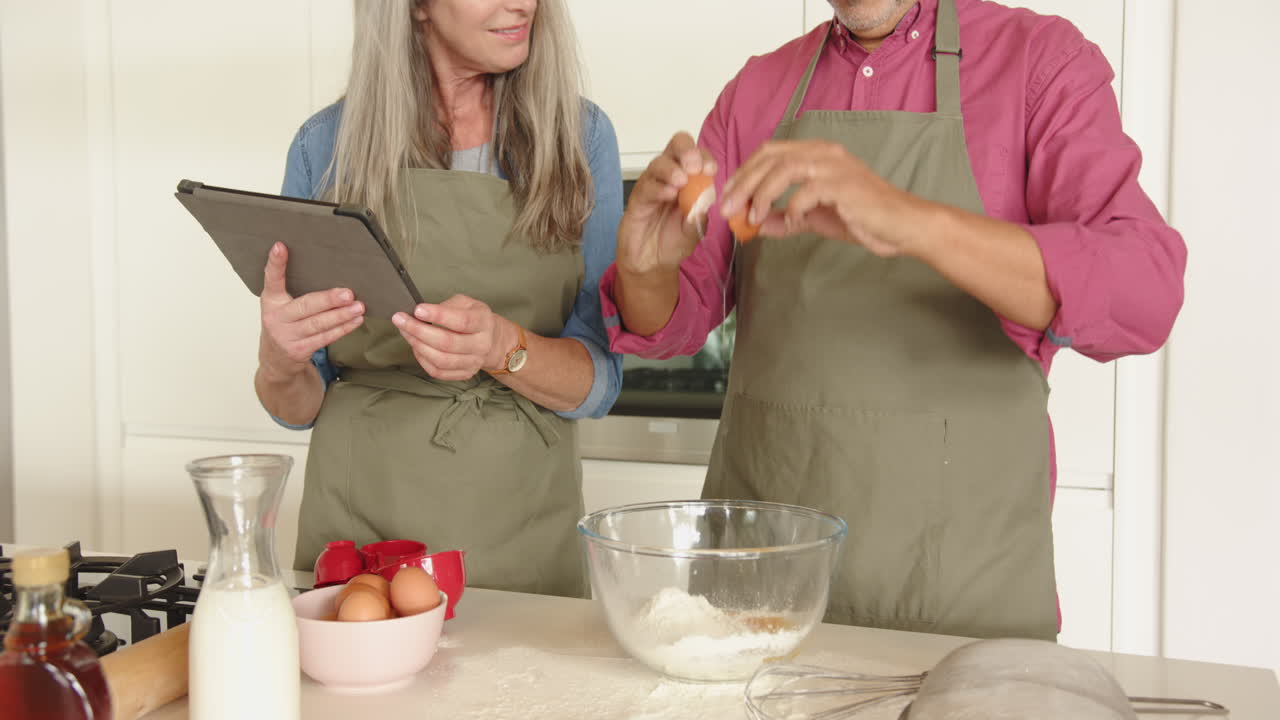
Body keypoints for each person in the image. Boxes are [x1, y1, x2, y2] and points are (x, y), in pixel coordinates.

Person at [604, 0, 1185, 639]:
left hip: (961, 601)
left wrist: (906, 218)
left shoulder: (1038, 63)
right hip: (756, 601)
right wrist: (644, 270)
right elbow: (676, 321)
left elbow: (1142, 294)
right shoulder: (758, 90)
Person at [255, 0, 623, 598]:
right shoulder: (324, 147)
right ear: (415, 7)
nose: (522, 3)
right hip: (361, 523)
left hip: (520, 517)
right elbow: (295, 405)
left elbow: (598, 383)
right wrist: (279, 359)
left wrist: (502, 347)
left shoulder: (579, 137)